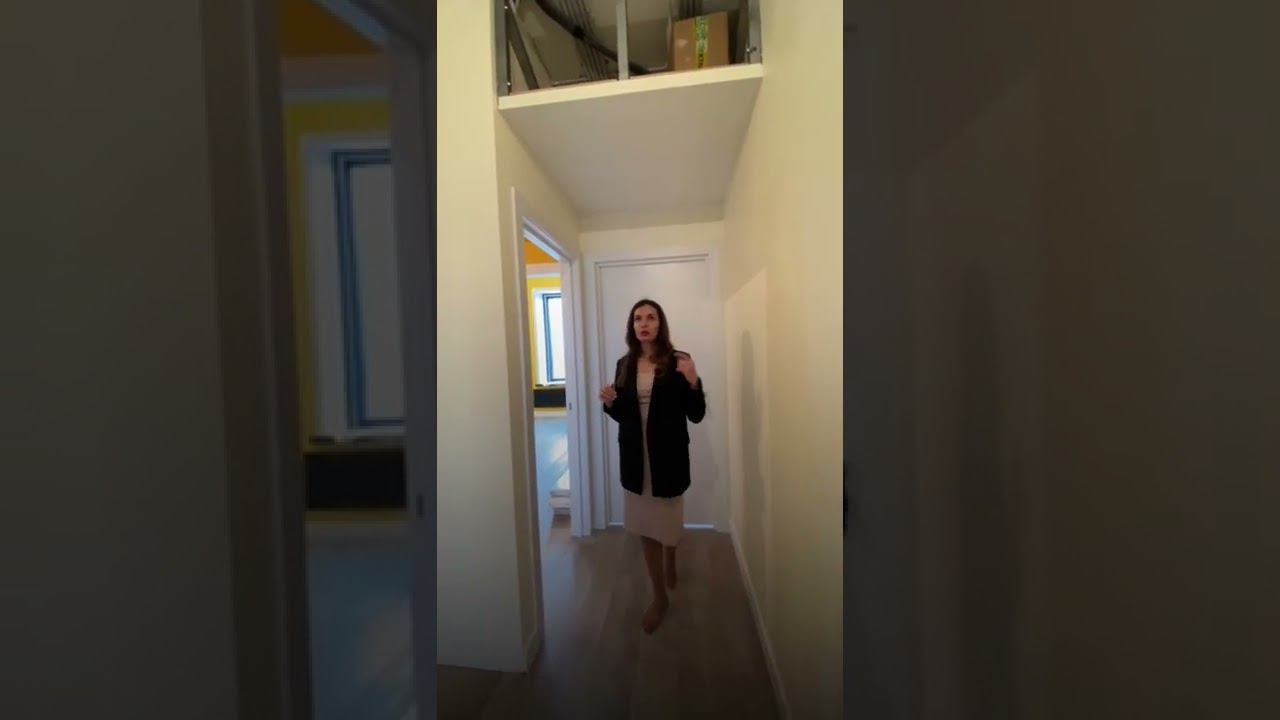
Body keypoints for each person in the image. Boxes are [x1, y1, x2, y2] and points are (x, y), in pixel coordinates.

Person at [599, 298, 705, 634]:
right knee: (647, 530)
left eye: (651, 317)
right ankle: (659, 598)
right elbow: (623, 415)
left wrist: (693, 381)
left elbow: (696, 414)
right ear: (632, 327)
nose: (643, 324)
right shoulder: (624, 364)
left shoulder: (678, 361)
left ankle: (670, 556)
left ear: (661, 324)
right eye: (637, 319)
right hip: (635, 459)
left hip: (669, 459)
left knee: (668, 528)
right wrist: (610, 403)